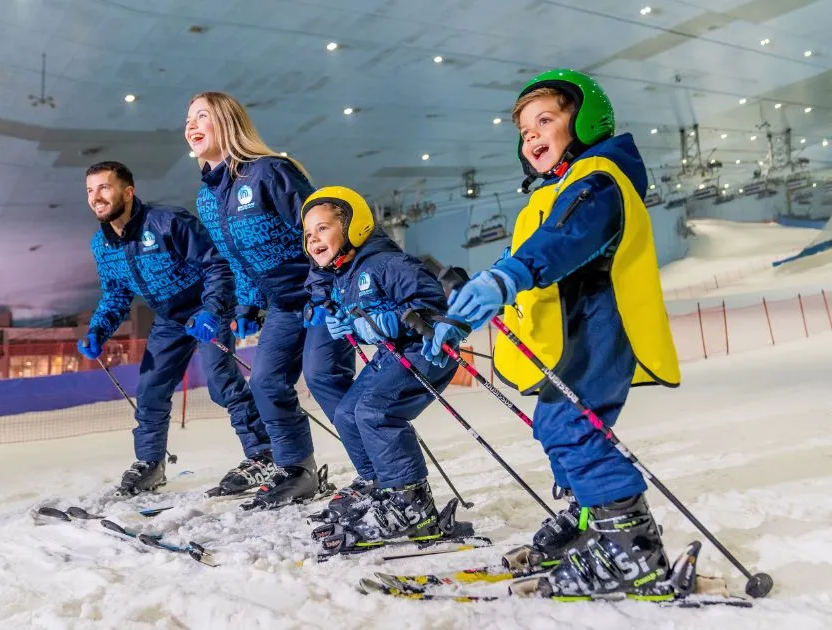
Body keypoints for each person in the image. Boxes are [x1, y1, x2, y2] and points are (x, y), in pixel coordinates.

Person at [425, 69, 682, 599]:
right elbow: (528, 250)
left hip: (601, 325)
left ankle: (632, 551)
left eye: (545, 121)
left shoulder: (598, 180)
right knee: (555, 423)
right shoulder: (559, 190)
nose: (533, 137)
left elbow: (566, 239)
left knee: (572, 427)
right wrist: (467, 311)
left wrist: (511, 275)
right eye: (525, 131)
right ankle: (593, 524)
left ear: (585, 121)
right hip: (574, 330)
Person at [185, 92, 355, 508]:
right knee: (265, 382)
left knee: (323, 376)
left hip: (325, 293)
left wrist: (323, 290)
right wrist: (247, 303)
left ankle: (383, 475)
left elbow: (321, 229)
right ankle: (297, 470)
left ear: (227, 122)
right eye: (188, 119)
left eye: (202, 116)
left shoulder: (270, 172)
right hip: (284, 304)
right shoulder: (207, 197)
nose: (190, 125)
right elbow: (235, 257)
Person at [79, 161, 273, 497]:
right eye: (90, 190)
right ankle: (150, 463)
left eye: (104, 188)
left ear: (128, 192)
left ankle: (264, 454)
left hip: (205, 308)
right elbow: (116, 294)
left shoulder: (167, 222)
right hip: (170, 318)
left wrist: (212, 310)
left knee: (222, 383)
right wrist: (98, 330)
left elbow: (217, 265)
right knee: (151, 390)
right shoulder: (102, 244)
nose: (96, 197)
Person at [300, 186, 460, 554]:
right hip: (394, 353)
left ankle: (412, 504)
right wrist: (348, 324)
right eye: (308, 235)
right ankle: (381, 486)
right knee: (347, 412)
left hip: (427, 351)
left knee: (375, 412)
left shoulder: (387, 263)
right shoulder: (345, 274)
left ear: (353, 226)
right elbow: (362, 318)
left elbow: (432, 304)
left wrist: (392, 321)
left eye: (323, 228)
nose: (314, 240)